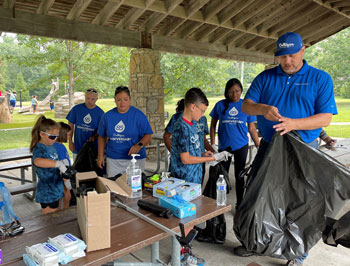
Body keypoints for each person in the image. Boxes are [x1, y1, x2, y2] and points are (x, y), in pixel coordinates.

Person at [236, 32, 337, 266]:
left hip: (304, 150)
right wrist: (262, 110)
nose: (287, 61)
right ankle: (255, 242)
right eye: (282, 57)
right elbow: (246, 105)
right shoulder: (265, 77)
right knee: (258, 195)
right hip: (270, 147)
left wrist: (294, 124)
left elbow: (325, 118)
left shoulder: (320, 78)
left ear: (303, 51)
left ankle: (297, 255)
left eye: (291, 55)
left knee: (301, 202)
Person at [209, 78, 260, 207]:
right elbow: (213, 125)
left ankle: (239, 204)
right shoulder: (220, 105)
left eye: (237, 91)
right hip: (224, 147)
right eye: (231, 92)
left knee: (240, 176)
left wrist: (259, 145)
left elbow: (252, 128)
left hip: (241, 146)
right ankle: (220, 203)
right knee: (221, 176)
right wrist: (213, 145)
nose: (234, 94)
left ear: (241, 91)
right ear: (227, 92)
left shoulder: (247, 106)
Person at [97, 86, 153, 177]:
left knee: (134, 187)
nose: (122, 103)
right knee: (115, 187)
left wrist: (139, 145)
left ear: (130, 99)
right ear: (114, 100)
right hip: (114, 159)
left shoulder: (138, 115)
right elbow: (101, 136)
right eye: (119, 100)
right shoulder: (107, 116)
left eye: (125, 99)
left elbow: (148, 134)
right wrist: (100, 156)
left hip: (135, 159)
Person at [163, 98, 215, 184]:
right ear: (192, 107)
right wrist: (175, 153)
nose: (202, 114)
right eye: (202, 111)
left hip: (196, 165)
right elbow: (185, 159)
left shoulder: (197, 121)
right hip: (182, 172)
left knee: (196, 191)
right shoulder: (180, 124)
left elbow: (202, 140)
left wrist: (210, 153)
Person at [29, 116, 68, 214]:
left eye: (57, 136)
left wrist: (64, 168)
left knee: (57, 215)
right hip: (47, 191)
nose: (55, 139)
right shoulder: (39, 148)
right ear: (42, 134)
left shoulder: (51, 146)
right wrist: (58, 164)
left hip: (56, 187)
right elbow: (37, 161)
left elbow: (55, 161)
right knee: (49, 221)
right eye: (52, 137)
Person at [66, 88, 104, 160]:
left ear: (96, 99)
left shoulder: (100, 113)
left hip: (93, 149)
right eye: (88, 98)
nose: (89, 101)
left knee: (90, 170)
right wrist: (70, 142)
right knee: (77, 169)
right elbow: (70, 126)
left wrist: (94, 136)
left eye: (92, 99)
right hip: (78, 147)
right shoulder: (76, 109)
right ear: (85, 97)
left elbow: (102, 131)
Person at [53, 122, 72, 209]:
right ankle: (64, 214)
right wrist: (67, 180)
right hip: (63, 177)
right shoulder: (60, 147)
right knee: (66, 197)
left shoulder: (56, 145)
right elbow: (64, 164)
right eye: (68, 135)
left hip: (59, 176)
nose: (69, 137)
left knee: (62, 197)